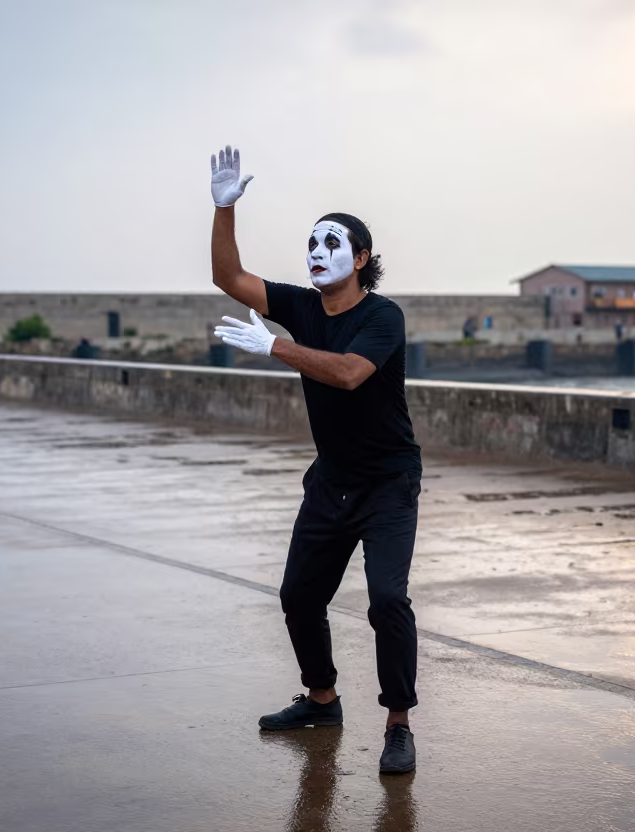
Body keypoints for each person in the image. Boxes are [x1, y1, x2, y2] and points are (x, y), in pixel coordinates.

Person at [207, 145, 422, 774]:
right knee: (299, 595)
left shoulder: (382, 315)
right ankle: (322, 700)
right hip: (332, 482)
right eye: (311, 243)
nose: (317, 252)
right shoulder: (302, 305)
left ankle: (399, 725)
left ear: (360, 259)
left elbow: (351, 374)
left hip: (388, 482)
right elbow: (230, 278)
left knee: (386, 599)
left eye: (333, 244)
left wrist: (275, 348)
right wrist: (223, 209)